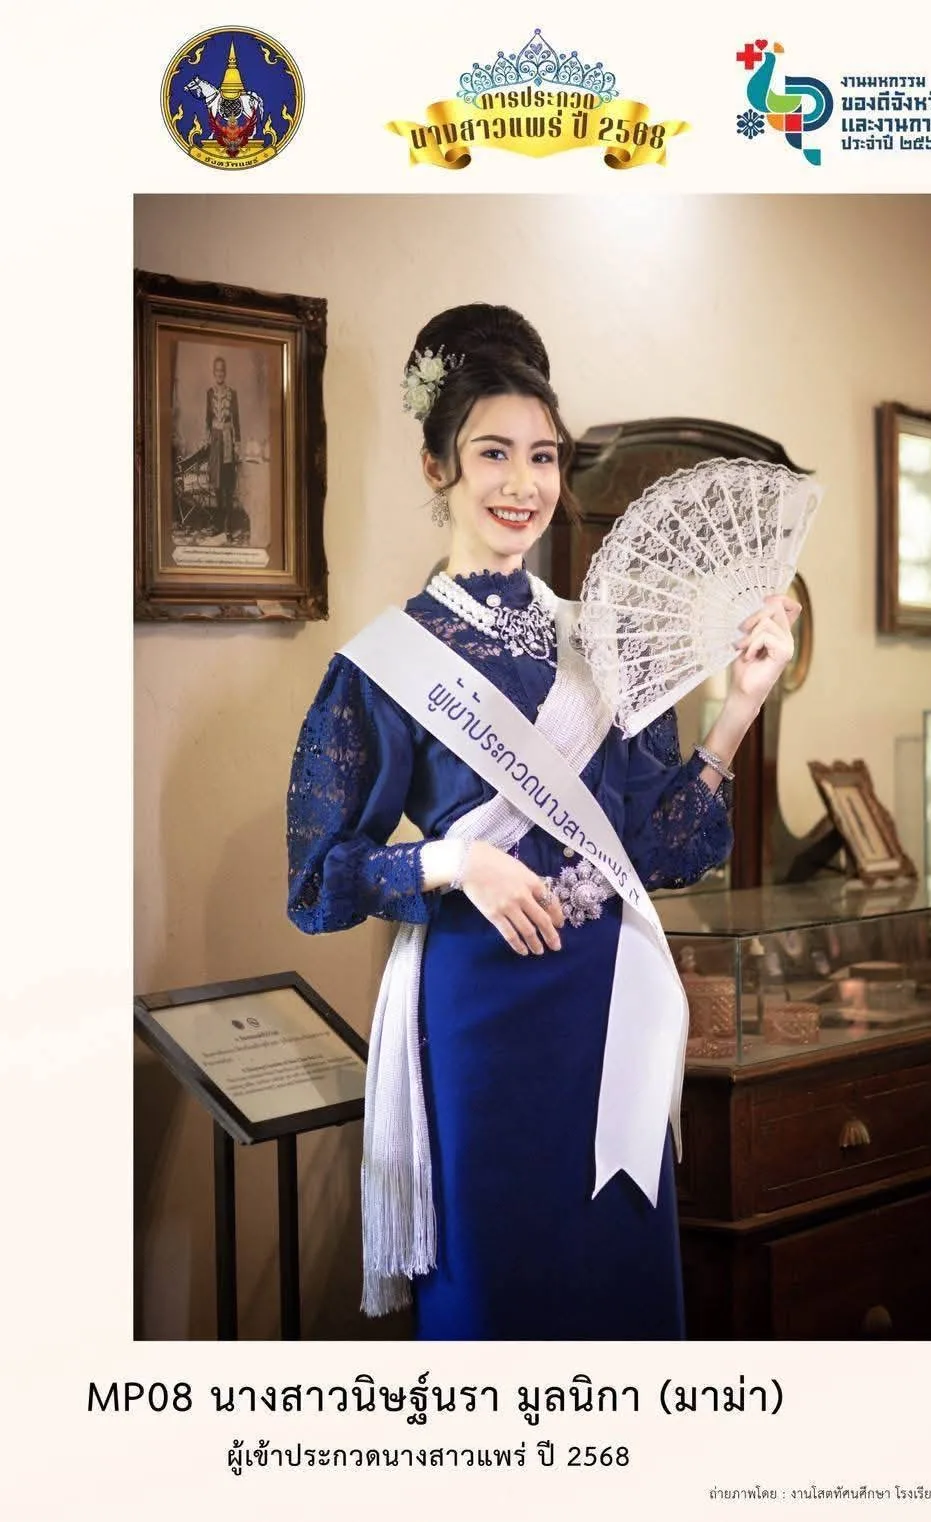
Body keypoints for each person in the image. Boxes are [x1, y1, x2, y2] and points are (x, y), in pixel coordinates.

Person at [286, 304, 797, 1340]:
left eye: (542, 456)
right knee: (501, 1294)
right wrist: (451, 862)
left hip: (606, 1007)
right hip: (478, 1017)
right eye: (493, 453)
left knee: (617, 1286)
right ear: (437, 468)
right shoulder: (381, 666)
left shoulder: (596, 642)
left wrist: (737, 711)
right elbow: (317, 879)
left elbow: (657, 849)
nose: (522, 483)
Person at [205, 355, 247, 541]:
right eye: (217, 370)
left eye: (222, 370)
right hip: (215, 443)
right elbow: (207, 419)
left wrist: (238, 443)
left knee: (228, 487)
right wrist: (207, 439)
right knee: (217, 486)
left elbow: (236, 420)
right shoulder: (209, 393)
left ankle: (228, 527)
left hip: (228, 442)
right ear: (214, 372)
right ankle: (218, 525)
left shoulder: (232, 393)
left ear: (225, 372)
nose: (220, 373)